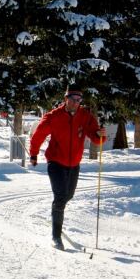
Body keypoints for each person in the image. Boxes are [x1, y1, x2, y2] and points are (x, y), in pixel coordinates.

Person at [29, 85, 106, 251]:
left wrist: (101, 135)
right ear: (66, 99)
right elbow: (38, 135)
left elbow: (95, 137)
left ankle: (56, 212)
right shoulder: (54, 116)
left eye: (79, 100)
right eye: (73, 99)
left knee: (68, 196)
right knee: (61, 196)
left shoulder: (85, 117)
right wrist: (34, 154)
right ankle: (56, 236)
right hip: (55, 162)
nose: (76, 102)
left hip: (74, 164)